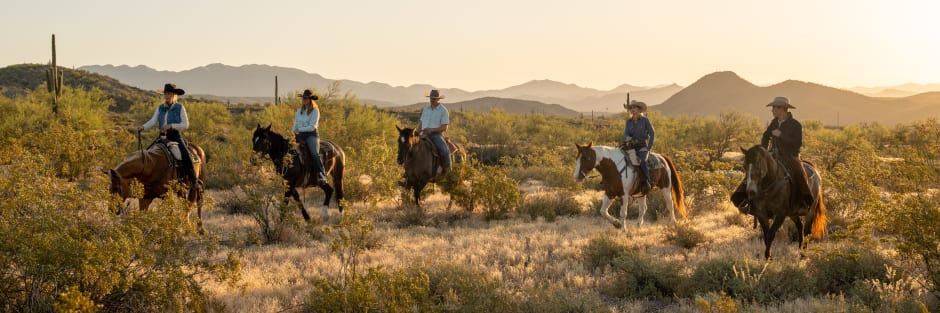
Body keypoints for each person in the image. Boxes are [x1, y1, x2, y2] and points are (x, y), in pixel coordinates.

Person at [731, 96, 814, 212]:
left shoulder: (795, 125)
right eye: (773, 107)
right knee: (754, 170)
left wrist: (781, 136)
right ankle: (744, 200)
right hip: (773, 155)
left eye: (774, 107)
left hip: (791, 156)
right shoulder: (774, 123)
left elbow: (797, 143)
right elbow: (765, 136)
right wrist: (763, 151)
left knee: (799, 172)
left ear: (782, 109)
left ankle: (805, 202)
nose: (772, 110)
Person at [138, 83, 198, 186]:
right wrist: (143, 127)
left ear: (173, 95)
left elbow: (186, 124)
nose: (166, 95)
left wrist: (171, 126)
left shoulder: (180, 107)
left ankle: (194, 180)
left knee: (185, 154)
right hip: (162, 137)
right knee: (147, 154)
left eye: (168, 93)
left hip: (175, 136)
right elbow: (153, 121)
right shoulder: (160, 108)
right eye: (165, 93)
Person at [292, 89, 327, 184]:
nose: (304, 100)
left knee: (314, 153)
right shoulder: (299, 111)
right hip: (299, 135)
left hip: (311, 135)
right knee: (288, 150)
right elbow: (295, 124)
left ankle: (322, 174)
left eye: (306, 98)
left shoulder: (315, 111)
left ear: (310, 100)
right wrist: (293, 131)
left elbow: (312, 127)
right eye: (303, 98)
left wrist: (299, 130)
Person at [623, 99, 655, 194]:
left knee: (642, 161)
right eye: (631, 108)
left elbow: (652, 134)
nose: (632, 109)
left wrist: (648, 148)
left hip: (642, 146)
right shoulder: (628, 121)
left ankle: (646, 182)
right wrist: (627, 137)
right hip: (631, 146)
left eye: (635, 108)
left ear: (639, 110)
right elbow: (625, 133)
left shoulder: (645, 121)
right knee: (619, 158)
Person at [418, 89, 451, 174]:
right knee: (410, 147)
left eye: (434, 98)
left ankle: (448, 172)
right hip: (423, 134)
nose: (432, 100)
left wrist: (432, 130)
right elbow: (421, 123)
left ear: (438, 99)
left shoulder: (443, 111)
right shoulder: (426, 109)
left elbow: (445, 127)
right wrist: (416, 133)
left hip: (436, 135)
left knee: (445, 151)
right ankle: (407, 173)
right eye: (431, 98)